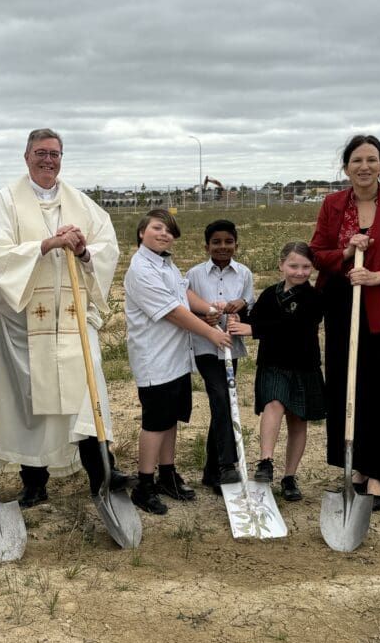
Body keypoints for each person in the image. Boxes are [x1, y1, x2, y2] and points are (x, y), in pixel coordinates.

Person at [0, 128, 130, 508]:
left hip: (73, 317)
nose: (48, 160)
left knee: (88, 389)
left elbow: (107, 246)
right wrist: (46, 244)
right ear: (26, 155)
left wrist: (82, 250)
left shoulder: (81, 202)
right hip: (25, 323)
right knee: (30, 400)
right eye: (41, 153)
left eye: (55, 153)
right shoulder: (4, 201)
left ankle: (103, 474)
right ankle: (34, 481)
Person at [310, 135, 380, 511]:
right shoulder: (332, 204)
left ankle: (379, 474)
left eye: (372, 159)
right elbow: (318, 251)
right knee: (348, 387)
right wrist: (346, 252)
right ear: (346, 167)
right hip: (343, 304)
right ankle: (356, 467)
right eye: (357, 160)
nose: (364, 166)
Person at [125, 209, 234, 514]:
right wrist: (211, 333)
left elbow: (183, 292)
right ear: (141, 232)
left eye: (169, 231)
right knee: (155, 422)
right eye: (157, 228)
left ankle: (167, 473)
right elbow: (174, 311)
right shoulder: (141, 270)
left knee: (171, 418)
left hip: (175, 358)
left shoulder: (165, 263)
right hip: (154, 359)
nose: (164, 234)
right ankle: (145, 485)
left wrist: (210, 307)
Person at [231, 242, 326, 501]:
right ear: (281, 265)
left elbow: (296, 326)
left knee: (298, 420)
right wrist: (240, 319)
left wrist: (256, 330)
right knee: (273, 404)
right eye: (293, 266)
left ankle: (289, 477)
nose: (299, 272)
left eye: (306, 267)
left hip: (304, 365)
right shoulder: (269, 293)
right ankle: (266, 461)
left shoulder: (315, 297)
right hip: (273, 363)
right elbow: (255, 318)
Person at [185, 220, 254, 493]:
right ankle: (227, 466)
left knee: (224, 402)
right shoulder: (194, 274)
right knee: (221, 397)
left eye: (228, 241)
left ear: (236, 243)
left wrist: (242, 305)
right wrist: (206, 316)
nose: (223, 247)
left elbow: (248, 306)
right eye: (216, 242)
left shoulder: (245, 274)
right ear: (207, 246)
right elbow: (185, 309)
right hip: (204, 346)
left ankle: (212, 471)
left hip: (230, 348)